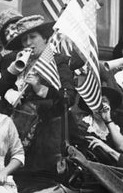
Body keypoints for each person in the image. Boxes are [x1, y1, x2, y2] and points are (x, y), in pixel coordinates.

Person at [4, 15, 76, 192]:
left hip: (47, 138)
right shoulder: (19, 62)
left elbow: (68, 97)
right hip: (19, 133)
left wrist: (40, 88)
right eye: (25, 39)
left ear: (45, 38)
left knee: (43, 185)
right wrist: (10, 87)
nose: (28, 42)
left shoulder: (58, 61)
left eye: (33, 37)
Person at [70, 87, 123, 165]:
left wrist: (107, 120)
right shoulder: (81, 125)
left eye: (104, 101)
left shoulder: (115, 129)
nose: (99, 106)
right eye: (96, 102)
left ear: (109, 106)